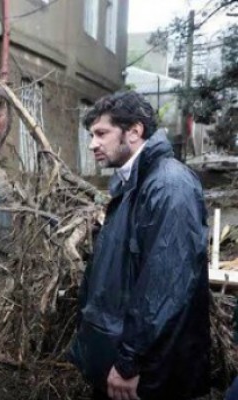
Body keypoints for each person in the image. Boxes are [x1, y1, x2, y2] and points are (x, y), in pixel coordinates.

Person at [69, 91, 211, 400]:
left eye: (101, 133)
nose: (93, 143)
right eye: (92, 134)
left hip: (150, 375)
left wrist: (129, 362)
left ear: (134, 131)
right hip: (122, 357)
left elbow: (164, 287)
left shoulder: (170, 186)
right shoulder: (130, 182)